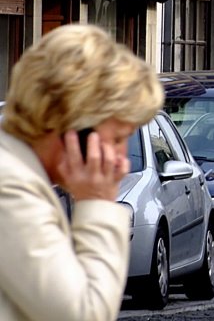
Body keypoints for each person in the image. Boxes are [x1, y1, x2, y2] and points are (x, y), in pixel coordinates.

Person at [0, 24, 163, 321]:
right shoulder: (11, 188)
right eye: (116, 139)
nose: (122, 161)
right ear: (75, 124)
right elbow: (82, 314)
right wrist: (98, 204)